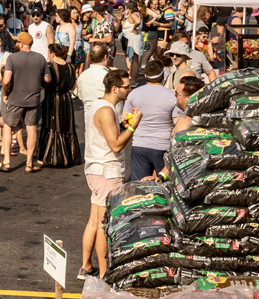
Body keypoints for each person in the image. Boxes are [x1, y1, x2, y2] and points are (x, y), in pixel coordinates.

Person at [80, 69, 136, 278]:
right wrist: (133, 128)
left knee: (94, 221)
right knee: (105, 225)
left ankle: (86, 266)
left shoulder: (98, 104)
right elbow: (115, 145)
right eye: (126, 86)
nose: (129, 90)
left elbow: (106, 134)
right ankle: (104, 274)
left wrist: (122, 127)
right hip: (106, 171)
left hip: (96, 169)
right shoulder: (106, 110)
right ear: (115, 89)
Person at [0, 32, 49, 173]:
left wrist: (5, 94)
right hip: (33, 99)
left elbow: (6, 81)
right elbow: (47, 79)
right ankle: (29, 164)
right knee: (31, 130)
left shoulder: (13, 58)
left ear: (22, 44)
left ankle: (6, 161)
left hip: (15, 99)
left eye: (17, 42)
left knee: (8, 127)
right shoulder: (40, 58)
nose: (15, 44)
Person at [125, 64, 184, 182]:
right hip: (163, 146)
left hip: (139, 145)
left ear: (145, 76)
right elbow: (177, 125)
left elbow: (125, 120)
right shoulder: (172, 96)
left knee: (140, 186)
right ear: (163, 75)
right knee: (165, 184)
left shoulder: (133, 94)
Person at [41, 43, 80, 168]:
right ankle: (70, 155)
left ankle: (53, 156)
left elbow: (45, 83)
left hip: (53, 98)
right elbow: (73, 86)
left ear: (52, 53)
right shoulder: (70, 67)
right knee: (66, 125)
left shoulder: (50, 66)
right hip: (66, 98)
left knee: (53, 125)